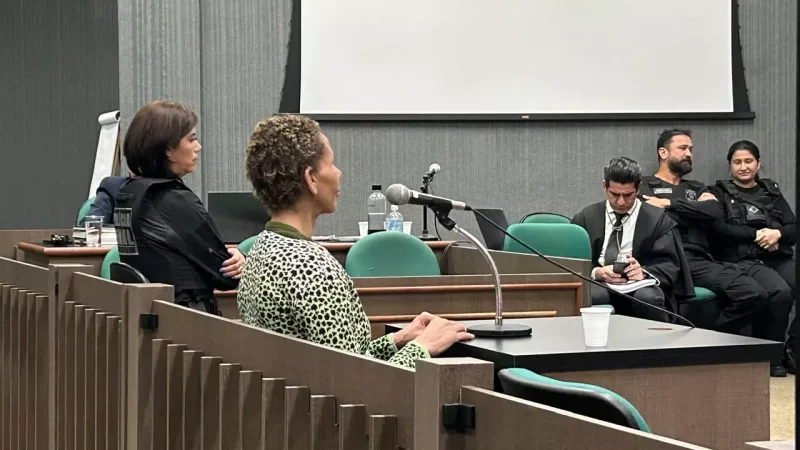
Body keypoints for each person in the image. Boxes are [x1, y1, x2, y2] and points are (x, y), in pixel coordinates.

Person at [236, 114, 473, 368]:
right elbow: (356, 379)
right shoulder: (312, 268)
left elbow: (340, 355)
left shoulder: (261, 249)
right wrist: (423, 347)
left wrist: (399, 339)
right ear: (311, 178)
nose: (339, 172)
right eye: (331, 163)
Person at [639, 129, 791, 376]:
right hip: (665, 260)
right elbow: (650, 214)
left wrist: (670, 204)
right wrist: (693, 211)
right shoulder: (646, 185)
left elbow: (713, 212)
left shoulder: (697, 187)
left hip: (699, 260)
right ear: (663, 152)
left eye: (691, 149)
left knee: (754, 294)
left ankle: (709, 339)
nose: (689, 154)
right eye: (683, 148)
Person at [114, 100, 243, 314]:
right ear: (169, 150)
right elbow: (225, 277)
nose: (198, 147)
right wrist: (239, 260)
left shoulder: (129, 193)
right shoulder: (175, 201)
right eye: (191, 139)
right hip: (187, 325)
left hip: (149, 319)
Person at [709, 140, 796, 373]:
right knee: (780, 293)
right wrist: (758, 235)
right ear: (730, 166)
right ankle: (770, 356)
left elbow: (793, 227)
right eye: (737, 162)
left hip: (779, 258)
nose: (743, 166)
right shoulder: (719, 193)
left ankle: (792, 349)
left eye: (748, 161)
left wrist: (777, 233)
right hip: (744, 259)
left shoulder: (771, 191)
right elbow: (720, 230)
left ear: (759, 163)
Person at [571, 157, 692, 323]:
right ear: (604, 186)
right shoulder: (586, 217)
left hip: (641, 284)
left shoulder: (657, 220)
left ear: (638, 188)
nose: (620, 202)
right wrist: (596, 272)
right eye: (614, 194)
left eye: (628, 195)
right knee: (593, 295)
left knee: (648, 298)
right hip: (600, 281)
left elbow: (669, 265)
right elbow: (572, 262)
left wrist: (643, 272)